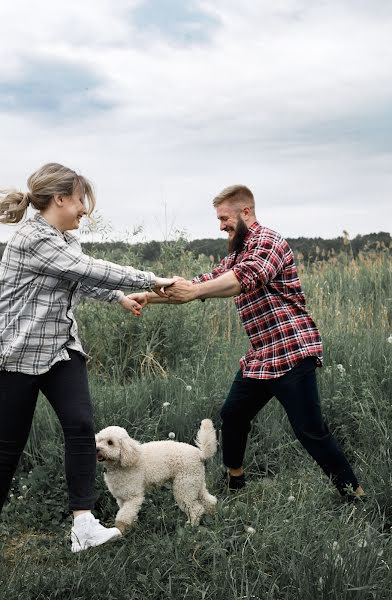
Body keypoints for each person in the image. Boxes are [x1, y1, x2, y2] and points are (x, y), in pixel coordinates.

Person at [130, 185, 365, 500]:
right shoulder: (237, 254)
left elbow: (245, 278)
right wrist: (148, 297)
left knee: (310, 431)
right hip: (262, 356)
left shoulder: (268, 242)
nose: (221, 225)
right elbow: (199, 284)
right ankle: (235, 481)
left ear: (246, 212)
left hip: (292, 350)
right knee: (234, 413)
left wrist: (197, 291)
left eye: (224, 218)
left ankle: (354, 493)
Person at [0, 163, 174, 552]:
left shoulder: (63, 239)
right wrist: (150, 279)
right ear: (60, 199)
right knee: (7, 446)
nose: (84, 210)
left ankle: (83, 525)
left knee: (81, 428)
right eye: (81, 201)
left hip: (61, 349)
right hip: (17, 353)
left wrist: (118, 296)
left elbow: (78, 278)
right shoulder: (33, 238)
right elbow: (87, 268)